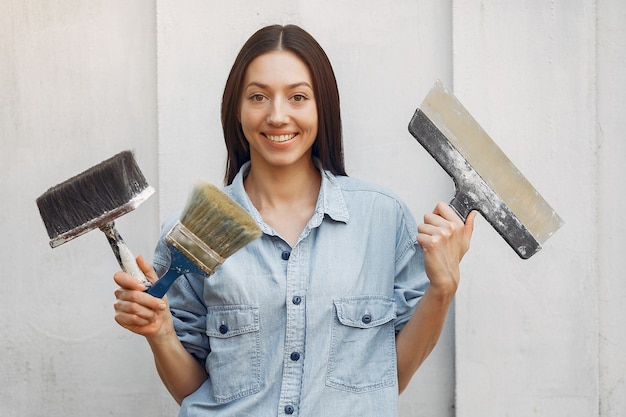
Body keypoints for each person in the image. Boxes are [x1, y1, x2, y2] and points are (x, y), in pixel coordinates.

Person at [113, 24, 475, 416]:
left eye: (298, 97)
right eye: (258, 97)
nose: (277, 115)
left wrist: (442, 288)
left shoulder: (382, 220)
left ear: (323, 108)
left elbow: (390, 378)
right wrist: (161, 333)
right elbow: (193, 391)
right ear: (236, 109)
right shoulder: (191, 233)